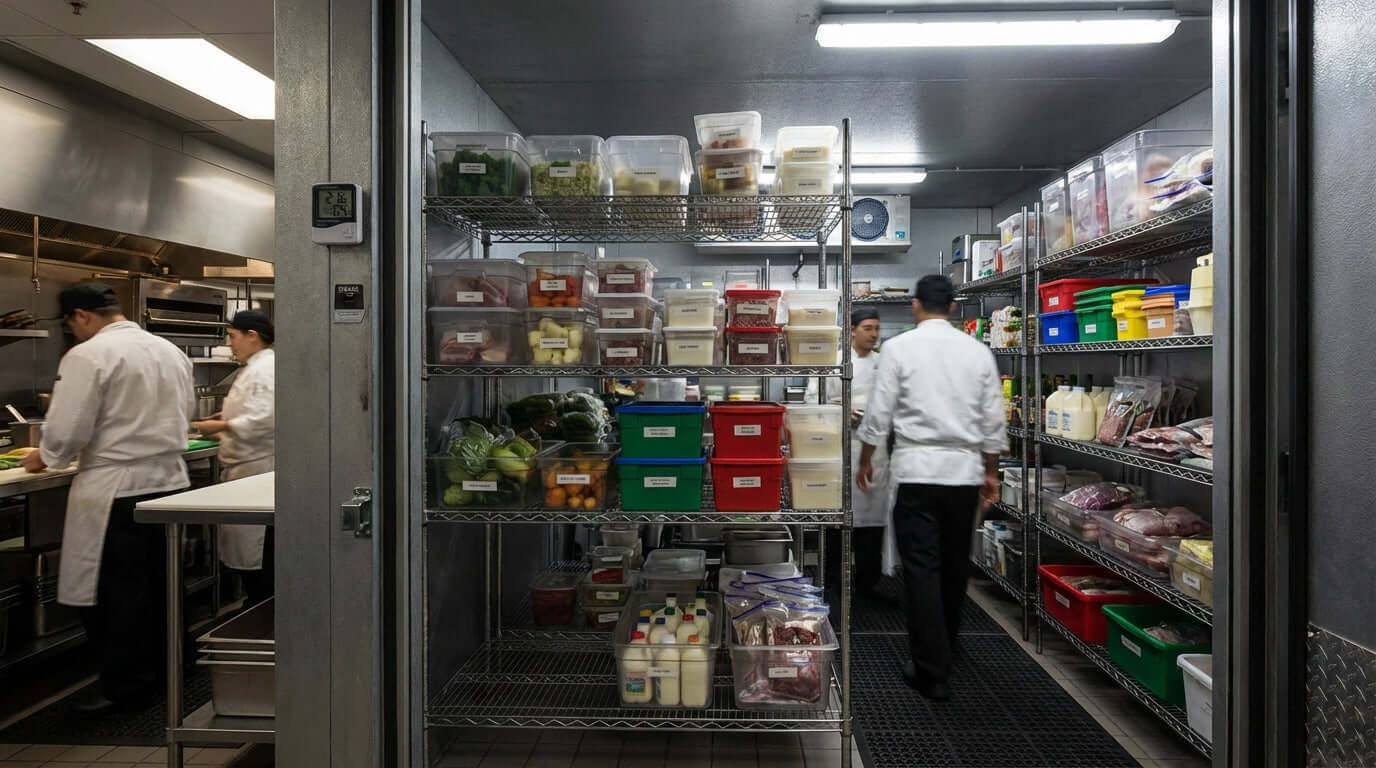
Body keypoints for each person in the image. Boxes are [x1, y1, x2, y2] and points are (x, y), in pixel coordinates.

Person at [21, 282, 195, 713]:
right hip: (170, 483)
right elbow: (187, 411)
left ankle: (129, 688)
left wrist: (44, 455)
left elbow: (69, 426)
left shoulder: (88, 354)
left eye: (70, 324)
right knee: (163, 585)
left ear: (81, 316)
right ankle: (174, 671)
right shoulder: (169, 350)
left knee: (119, 595)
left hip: (118, 488)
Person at [855, 275, 1006, 701]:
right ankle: (949, 644)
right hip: (963, 472)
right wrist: (990, 472)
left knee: (921, 567)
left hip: (917, 469)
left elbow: (879, 411)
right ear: (954, 307)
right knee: (956, 565)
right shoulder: (978, 352)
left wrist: (867, 457)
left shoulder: (899, 350)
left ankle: (930, 669)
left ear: (917, 305)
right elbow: (992, 420)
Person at [810, 307, 897, 598]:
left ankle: (868, 585)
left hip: (875, 454)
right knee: (837, 520)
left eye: (876, 328)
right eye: (868, 328)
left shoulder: (883, 363)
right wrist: (842, 411)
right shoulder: (833, 362)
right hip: (839, 448)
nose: (874, 334)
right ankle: (833, 582)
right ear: (852, 331)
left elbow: (894, 402)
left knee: (873, 521)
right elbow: (813, 401)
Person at [192, 311, 276, 604]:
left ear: (252, 335)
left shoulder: (265, 368)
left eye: (232, 336)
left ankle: (262, 615)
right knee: (255, 560)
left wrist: (225, 425)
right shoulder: (256, 367)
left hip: (257, 471)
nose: (231, 344)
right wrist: (226, 417)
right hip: (247, 471)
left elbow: (266, 418)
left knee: (261, 560)